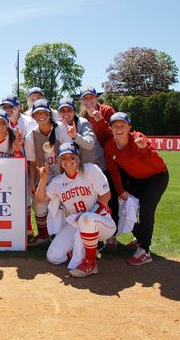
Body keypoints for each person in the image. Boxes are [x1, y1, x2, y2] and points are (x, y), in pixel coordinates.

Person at [35, 143, 116, 277]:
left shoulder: (91, 170)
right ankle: (87, 250)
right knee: (53, 257)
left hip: (102, 223)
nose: (68, 161)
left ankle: (90, 263)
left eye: (71, 157)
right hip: (76, 224)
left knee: (87, 219)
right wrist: (43, 179)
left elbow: (106, 195)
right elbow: (41, 199)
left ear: (78, 159)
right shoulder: (58, 182)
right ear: (59, 162)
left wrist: (88, 217)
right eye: (64, 158)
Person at [104, 112, 169, 265]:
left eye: (122, 125)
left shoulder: (139, 138)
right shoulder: (109, 146)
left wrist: (145, 149)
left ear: (129, 127)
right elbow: (113, 171)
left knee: (146, 209)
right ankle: (141, 237)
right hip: (137, 180)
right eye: (115, 126)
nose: (119, 129)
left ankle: (145, 250)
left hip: (157, 177)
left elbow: (159, 164)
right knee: (125, 207)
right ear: (111, 128)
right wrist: (121, 191)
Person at [78, 86, 120, 249]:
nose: (88, 101)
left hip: (107, 161)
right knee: (93, 200)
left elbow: (115, 133)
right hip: (92, 163)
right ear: (81, 101)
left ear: (96, 98)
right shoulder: (81, 116)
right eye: (85, 99)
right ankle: (97, 234)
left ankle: (112, 236)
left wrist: (100, 120)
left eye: (91, 98)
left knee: (110, 198)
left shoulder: (106, 110)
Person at [24, 99, 67, 245]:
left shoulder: (61, 128)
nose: (41, 116)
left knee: (65, 205)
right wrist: (31, 183)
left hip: (62, 173)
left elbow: (70, 155)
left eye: (44, 112)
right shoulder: (31, 135)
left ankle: (63, 234)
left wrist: (68, 179)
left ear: (50, 114)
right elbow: (32, 163)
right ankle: (43, 236)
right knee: (39, 204)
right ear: (33, 116)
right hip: (43, 175)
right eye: (37, 113)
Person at [57, 98, 106, 171]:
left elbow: (90, 145)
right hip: (77, 170)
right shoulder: (57, 126)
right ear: (58, 113)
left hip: (96, 168)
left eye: (69, 110)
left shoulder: (83, 123)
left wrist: (75, 136)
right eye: (62, 110)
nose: (66, 113)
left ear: (74, 112)